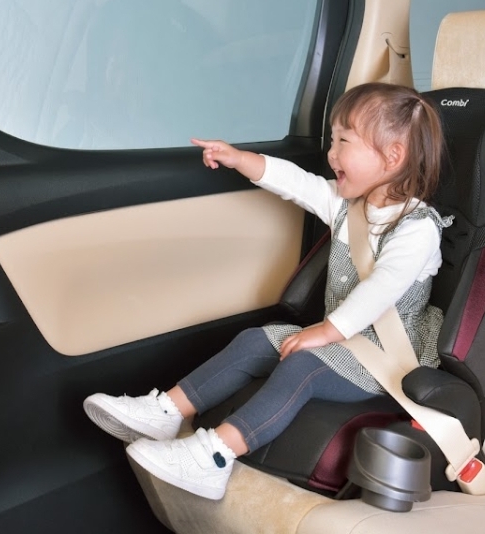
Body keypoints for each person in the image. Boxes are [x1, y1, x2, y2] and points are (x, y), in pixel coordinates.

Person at [83, 83, 449, 500]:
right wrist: (240, 159)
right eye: (332, 140)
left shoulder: (417, 228)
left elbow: (382, 289)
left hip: (384, 360)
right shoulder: (348, 206)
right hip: (340, 340)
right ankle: (166, 411)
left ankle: (214, 457)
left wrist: (324, 331)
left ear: (392, 157)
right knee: (253, 341)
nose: (331, 154)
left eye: (343, 142)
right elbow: (297, 183)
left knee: (301, 366)